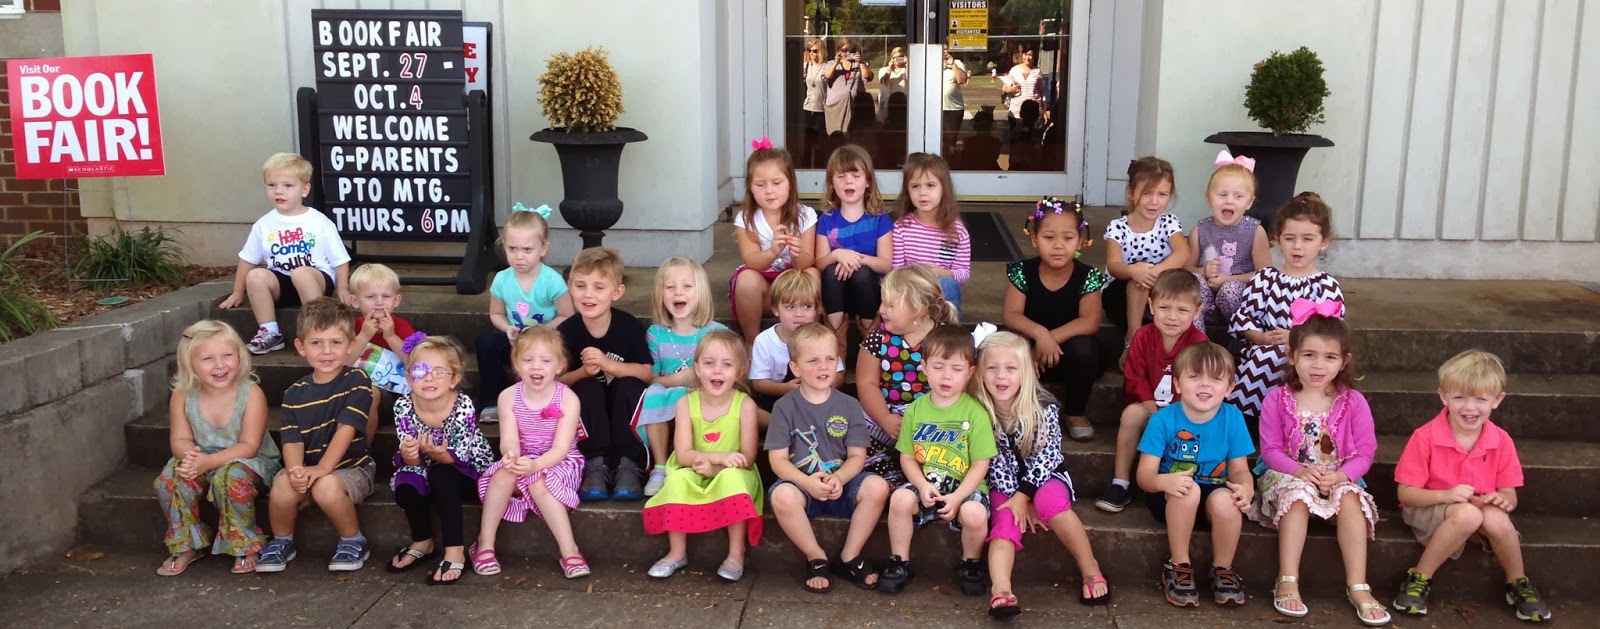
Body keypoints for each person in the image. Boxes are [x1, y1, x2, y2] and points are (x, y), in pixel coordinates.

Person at [1392, 350, 1551, 622]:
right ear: (1443, 396)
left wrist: (1503, 501)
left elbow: (1509, 493)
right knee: (1468, 514)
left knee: (1497, 520)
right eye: (1459, 397)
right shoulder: (1425, 437)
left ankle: (1518, 583)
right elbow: (1406, 493)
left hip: (1478, 508)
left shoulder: (1501, 440)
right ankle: (1419, 577)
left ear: (1497, 400)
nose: (1469, 407)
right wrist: (1447, 495)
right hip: (1429, 507)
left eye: (1481, 399)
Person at [1249, 315, 1386, 625]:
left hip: (1337, 474)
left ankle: (1358, 585)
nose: (1318, 365)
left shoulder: (1354, 402)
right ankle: (1287, 579)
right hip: (1287, 475)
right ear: (1292, 355)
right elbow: (1269, 450)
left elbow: (1366, 452)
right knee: (1298, 496)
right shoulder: (1277, 400)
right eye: (1309, 355)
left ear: (1344, 361)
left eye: (1330, 357)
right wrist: (1298, 471)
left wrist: (1342, 475)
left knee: (1350, 498)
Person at [975, 331, 1109, 618]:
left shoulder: (1042, 406)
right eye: (992, 367)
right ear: (980, 372)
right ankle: (1001, 589)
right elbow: (990, 461)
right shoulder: (978, 411)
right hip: (1002, 483)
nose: (1002, 376)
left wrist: (1027, 495)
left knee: (1054, 507)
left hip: (1047, 476)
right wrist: (1016, 498)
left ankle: (1090, 568)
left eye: (1011, 368)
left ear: (1026, 371)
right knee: (1003, 524)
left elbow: (1049, 456)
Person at [255, 297, 379, 573]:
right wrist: (296, 469)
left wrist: (323, 468)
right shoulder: (293, 393)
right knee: (284, 484)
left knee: (325, 486)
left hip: (352, 469)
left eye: (335, 343)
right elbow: (292, 439)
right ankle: (282, 541)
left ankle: (353, 540)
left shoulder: (357, 381)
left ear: (349, 346)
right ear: (300, 347)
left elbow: (346, 429)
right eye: (316, 343)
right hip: (310, 467)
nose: (326, 352)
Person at [766, 322, 890, 593]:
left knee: (878, 486)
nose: (823, 367)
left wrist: (839, 477)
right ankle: (815, 555)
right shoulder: (784, 407)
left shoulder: (850, 405)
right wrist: (807, 483)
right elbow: (777, 461)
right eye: (813, 360)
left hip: (843, 485)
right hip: (802, 487)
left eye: (830, 359)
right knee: (780, 496)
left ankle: (850, 556)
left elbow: (858, 455)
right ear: (795, 368)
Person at [153, 320, 281, 576]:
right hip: (202, 459)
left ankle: (244, 543)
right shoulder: (182, 394)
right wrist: (190, 458)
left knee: (230, 478)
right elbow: (179, 439)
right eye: (208, 359)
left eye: (227, 356)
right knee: (170, 480)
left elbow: (249, 446)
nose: (220, 365)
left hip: (248, 462)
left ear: (240, 356)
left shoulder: (251, 393)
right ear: (190, 364)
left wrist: (210, 463)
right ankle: (186, 544)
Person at [879, 324, 995, 596]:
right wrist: (920, 485)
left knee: (975, 513)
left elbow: (981, 464)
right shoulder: (915, 410)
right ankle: (899, 561)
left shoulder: (975, 413)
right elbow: (907, 457)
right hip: (926, 487)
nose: (946, 376)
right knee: (899, 499)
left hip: (965, 491)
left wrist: (958, 497)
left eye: (956, 369)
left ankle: (970, 563)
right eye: (939, 366)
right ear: (924, 366)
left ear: (970, 373)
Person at [1136, 342, 1254, 608]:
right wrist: (1163, 481)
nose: (1205, 385)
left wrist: (1246, 487)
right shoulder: (1163, 419)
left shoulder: (1232, 417)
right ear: (1177, 384)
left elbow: (1239, 469)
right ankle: (1178, 564)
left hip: (1214, 496)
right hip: (1169, 495)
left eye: (1215, 378)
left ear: (1230, 388)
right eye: (1194, 376)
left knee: (1227, 499)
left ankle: (1223, 568)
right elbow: (1144, 475)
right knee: (1188, 489)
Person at [642, 329, 765, 582]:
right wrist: (716, 459)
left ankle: (736, 553)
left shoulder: (746, 405)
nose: (717, 371)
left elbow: (748, 457)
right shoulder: (686, 403)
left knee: (733, 480)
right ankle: (677, 552)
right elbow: (684, 454)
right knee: (676, 481)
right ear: (697, 369)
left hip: (734, 472)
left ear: (740, 372)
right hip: (693, 468)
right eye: (709, 363)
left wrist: (719, 468)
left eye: (727, 364)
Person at [472, 327, 591, 579]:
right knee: (503, 476)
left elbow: (560, 449)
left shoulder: (568, 399)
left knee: (538, 483)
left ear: (560, 365)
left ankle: (570, 552)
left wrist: (535, 466)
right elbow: (509, 439)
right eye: (527, 360)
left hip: (558, 461)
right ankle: (485, 544)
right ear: (516, 363)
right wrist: (511, 455)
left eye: (545, 360)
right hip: (524, 457)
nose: (536, 367)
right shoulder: (507, 397)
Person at [1227, 193, 1344, 425]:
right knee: (1266, 355)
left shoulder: (1325, 285)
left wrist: (1295, 338)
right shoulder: (1266, 278)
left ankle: (1293, 419)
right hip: (1263, 348)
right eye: (1290, 238)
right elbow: (1245, 318)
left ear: (1324, 242)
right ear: (1278, 240)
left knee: (1289, 358)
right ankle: (1245, 421)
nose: (1297, 246)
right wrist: (1259, 337)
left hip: (1308, 353)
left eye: (1308, 239)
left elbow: (1331, 330)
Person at [1098, 270, 1209, 513]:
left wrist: (1172, 415)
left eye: (1182, 310)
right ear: (1151, 305)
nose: (1172, 317)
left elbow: (1198, 385)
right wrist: (1152, 408)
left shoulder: (1199, 344)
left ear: (1197, 311)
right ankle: (1120, 482)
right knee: (1131, 416)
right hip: (1148, 406)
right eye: (1164, 307)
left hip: (1184, 411)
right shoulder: (1142, 336)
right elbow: (1135, 377)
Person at [220, 152, 352, 355]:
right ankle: (270, 332)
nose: (278, 191)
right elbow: (247, 259)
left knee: (301, 273)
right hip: (282, 284)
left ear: (304, 189)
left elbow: (340, 260)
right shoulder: (264, 224)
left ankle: (318, 328)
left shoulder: (318, 222)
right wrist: (238, 291)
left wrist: (342, 288)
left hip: (316, 281)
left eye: (287, 186)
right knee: (256, 276)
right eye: (272, 185)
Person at [387, 336, 495, 585]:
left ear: (454, 379)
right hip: (426, 467)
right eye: (420, 371)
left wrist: (437, 454)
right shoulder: (403, 405)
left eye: (439, 371)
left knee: (442, 473)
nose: (429, 378)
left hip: (466, 468)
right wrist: (411, 456)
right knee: (405, 480)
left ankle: (454, 549)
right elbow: (409, 455)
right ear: (408, 378)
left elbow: (460, 454)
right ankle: (422, 540)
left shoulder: (463, 404)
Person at [1001, 197, 1109, 442]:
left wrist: (1050, 340)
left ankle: (1075, 413)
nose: (1058, 245)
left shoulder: (1088, 275)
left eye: (1068, 238)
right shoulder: (1022, 271)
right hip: (1031, 358)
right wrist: (1039, 336)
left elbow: (1090, 321)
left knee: (1085, 347)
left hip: (1070, 358)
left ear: (1081, 240)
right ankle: (1021, 410)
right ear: (1034, 238)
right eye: (1049, 237)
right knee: (1006, 345)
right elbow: (1011, 314)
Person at [557, 247, 653, 501]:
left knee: (629, 384)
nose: (588, 295)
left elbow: (645, 373)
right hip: (590, 410)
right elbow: (555, 382)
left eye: (599, 287)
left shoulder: (628, 326)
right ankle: (594, 465)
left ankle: (629, 465)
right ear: (570, 287)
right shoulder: (566, 331)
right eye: (580, 286)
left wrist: (609, 366)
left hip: (624, 406)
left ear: (617, 292)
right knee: (586, 386)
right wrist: (581, 372)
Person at [856, 265, 960, 485]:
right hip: (887, 413)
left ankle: (932, 474)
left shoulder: (944, 339)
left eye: (890, 304)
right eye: (882, 302)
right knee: (856, 421)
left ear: (918, 309)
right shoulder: (877, 339)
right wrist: (884, 418)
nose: (881, 310)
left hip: (931, 414)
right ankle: (885, 474)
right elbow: (866, 383)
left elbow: (956, 384)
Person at [476, 203, 574, 423]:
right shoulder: (502, 279)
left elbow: (568, 315)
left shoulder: (551, 280)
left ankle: (551, 399)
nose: (519, 256)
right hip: (517, 339)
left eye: (527, 250)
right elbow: (496, 314)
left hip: (548, 340)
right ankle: (492, 402)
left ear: (543, 249)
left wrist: (541, 330)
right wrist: (508, 328)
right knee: (486, 343)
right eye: (512, 249)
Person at [638, 258, 727, 496]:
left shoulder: (716, 333)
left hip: (707, 396)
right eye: (670, 287)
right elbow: (651, 378)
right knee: (654, 393)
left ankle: (696, 462)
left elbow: (731, 377)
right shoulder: (656, 333)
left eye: (687, 286)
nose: (679, 292)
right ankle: (659, 466)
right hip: (668, 395)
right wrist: (680, 380)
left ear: (701, 292)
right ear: (661, 294)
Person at [731, 141, 819, 345]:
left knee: (813, 274)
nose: (769, 191)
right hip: (765, 293)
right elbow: (752, 260)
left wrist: (796, 253)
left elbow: (807, 261)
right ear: (750, 188)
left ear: (791, 183)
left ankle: (809, 340)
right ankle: (752, 343)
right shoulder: (747, 218)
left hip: (793, 290)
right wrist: (772, 252)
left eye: (777, 183)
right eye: (760, 185)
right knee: (746, 279)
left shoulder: (805, 215)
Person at [1104, 156, 1189, 365]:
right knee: (1138, 279)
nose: (1154, 201)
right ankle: (1132, 339)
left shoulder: (1168, 222)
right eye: (1147, 193)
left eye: (1162, 194)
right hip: (1120, 297)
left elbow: (1182, 252)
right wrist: (1134, 271)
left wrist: (1155, 271)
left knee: (1160, 281)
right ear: (1131, 193)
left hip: (1158, 293)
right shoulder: (1119, 227)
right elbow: (1114, 265)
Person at [815, 144, 893, 353]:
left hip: (868, 294)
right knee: (831, 271)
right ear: (832, 182)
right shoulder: (827, 220)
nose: (848, 180)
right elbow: (820, 262)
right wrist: (838, 254)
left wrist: (857, 259)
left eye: (855, 175)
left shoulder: (880, 219)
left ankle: (870, 340)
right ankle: (835, 345)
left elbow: (885, 264)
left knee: (862, 273)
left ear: (867, 182)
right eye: (841, 176)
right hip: (836, 296)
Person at [1186, 151, 1271, 326]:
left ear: (1249, 202)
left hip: (1238, 302)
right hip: (1206, 303)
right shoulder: (1200, 230)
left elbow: (1264, 275)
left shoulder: (1255, 231)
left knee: (1230, 290)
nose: (1229, 201)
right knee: (1195, 283)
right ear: (1208, 198)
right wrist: (1203, 271)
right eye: (1222, 194)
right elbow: (1186, 268)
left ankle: (1240, 340)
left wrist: (1228, 280)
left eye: (1238, 196)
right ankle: (1197, 342)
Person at [751, 270, 843, 412]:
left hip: (816, 399)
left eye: (807, 307)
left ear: (816, 310)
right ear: (776, 309)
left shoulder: (822, 338)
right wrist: (784, 388)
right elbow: (758, 382)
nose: (799, 314)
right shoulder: (764, 341)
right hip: (776, 399)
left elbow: (839, 374)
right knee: (750, 409)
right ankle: (777, 424)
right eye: (790, 307)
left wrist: (821, 385)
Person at [891, 153, 970, 312]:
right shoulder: (901, 227)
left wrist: (943, 273)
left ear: (944, 188)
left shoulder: (957, 231)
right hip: (911, 290)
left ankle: (948, 333)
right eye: (915, 186)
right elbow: (895, 270)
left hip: (941, 292)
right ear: (908, 190)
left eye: (931, 185)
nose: (922, 193)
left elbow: (964, 273)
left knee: (948, 284)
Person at [345, 263, 419, 411]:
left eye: (386, 296)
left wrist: (391, 336)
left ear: (396, 300)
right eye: (370, 296)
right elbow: (344, 362)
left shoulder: (402, 326)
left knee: (370, 392)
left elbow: (416, 362)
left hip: (396, 392)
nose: (379, 302)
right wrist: (364, 335)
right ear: (354, 301)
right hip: (354, 389)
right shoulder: (349, 327)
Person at [824, 40, 871, 136]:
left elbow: (867, 76)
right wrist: (836, 63)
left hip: (853, 105)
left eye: (851, 50)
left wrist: (861, 62)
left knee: (850, 135)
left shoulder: (858, 64)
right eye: (844, 50)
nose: (847, 53)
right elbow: (828, 76)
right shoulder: (831, 63)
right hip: (835, 106)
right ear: (838, 50)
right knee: (834, 135)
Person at [1000, 47, 1045, 148]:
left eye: (1030, 55)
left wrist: (1044, 110)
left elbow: (1042, 93)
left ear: (1034, 57)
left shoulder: (1037, 72)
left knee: (1032, 141)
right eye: (1026, 54)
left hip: (1033, 113)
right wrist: (1010, 90)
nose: (1027, 58)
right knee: (1016, 141)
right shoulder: (1014, 70)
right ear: (1022, 55)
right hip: (1016, 112)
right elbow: (1005, 87)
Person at [800, 39, 829, 166]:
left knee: (820, 143)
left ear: (821, 51)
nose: (812, 53)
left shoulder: (826, 67)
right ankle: (805, 167)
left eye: (815, 51)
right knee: (807, 142)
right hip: (807, 107)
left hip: (821, 109)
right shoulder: (806, 66)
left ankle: (819, 167)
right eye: (810, 50)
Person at [940, 44, 970, 158]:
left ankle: (950, 162)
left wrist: (952, 64)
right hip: (935, 108)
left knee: (951, 140)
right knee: (938, 139)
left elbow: (962, 80)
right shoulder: (931, 62)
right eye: (942, 49)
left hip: (953, 109)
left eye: (946, 49)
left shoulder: (957, 63)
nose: (944, 52)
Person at [876, 47, 909, 124]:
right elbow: (883, 81)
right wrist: (889, 69)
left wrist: (908, 64)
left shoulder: (907, 70)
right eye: (896, 57)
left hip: (903, 102)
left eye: (901, 57)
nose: (898, 59)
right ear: (892, 58)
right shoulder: (884, 70)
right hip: (888, 102)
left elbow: (910, 78)